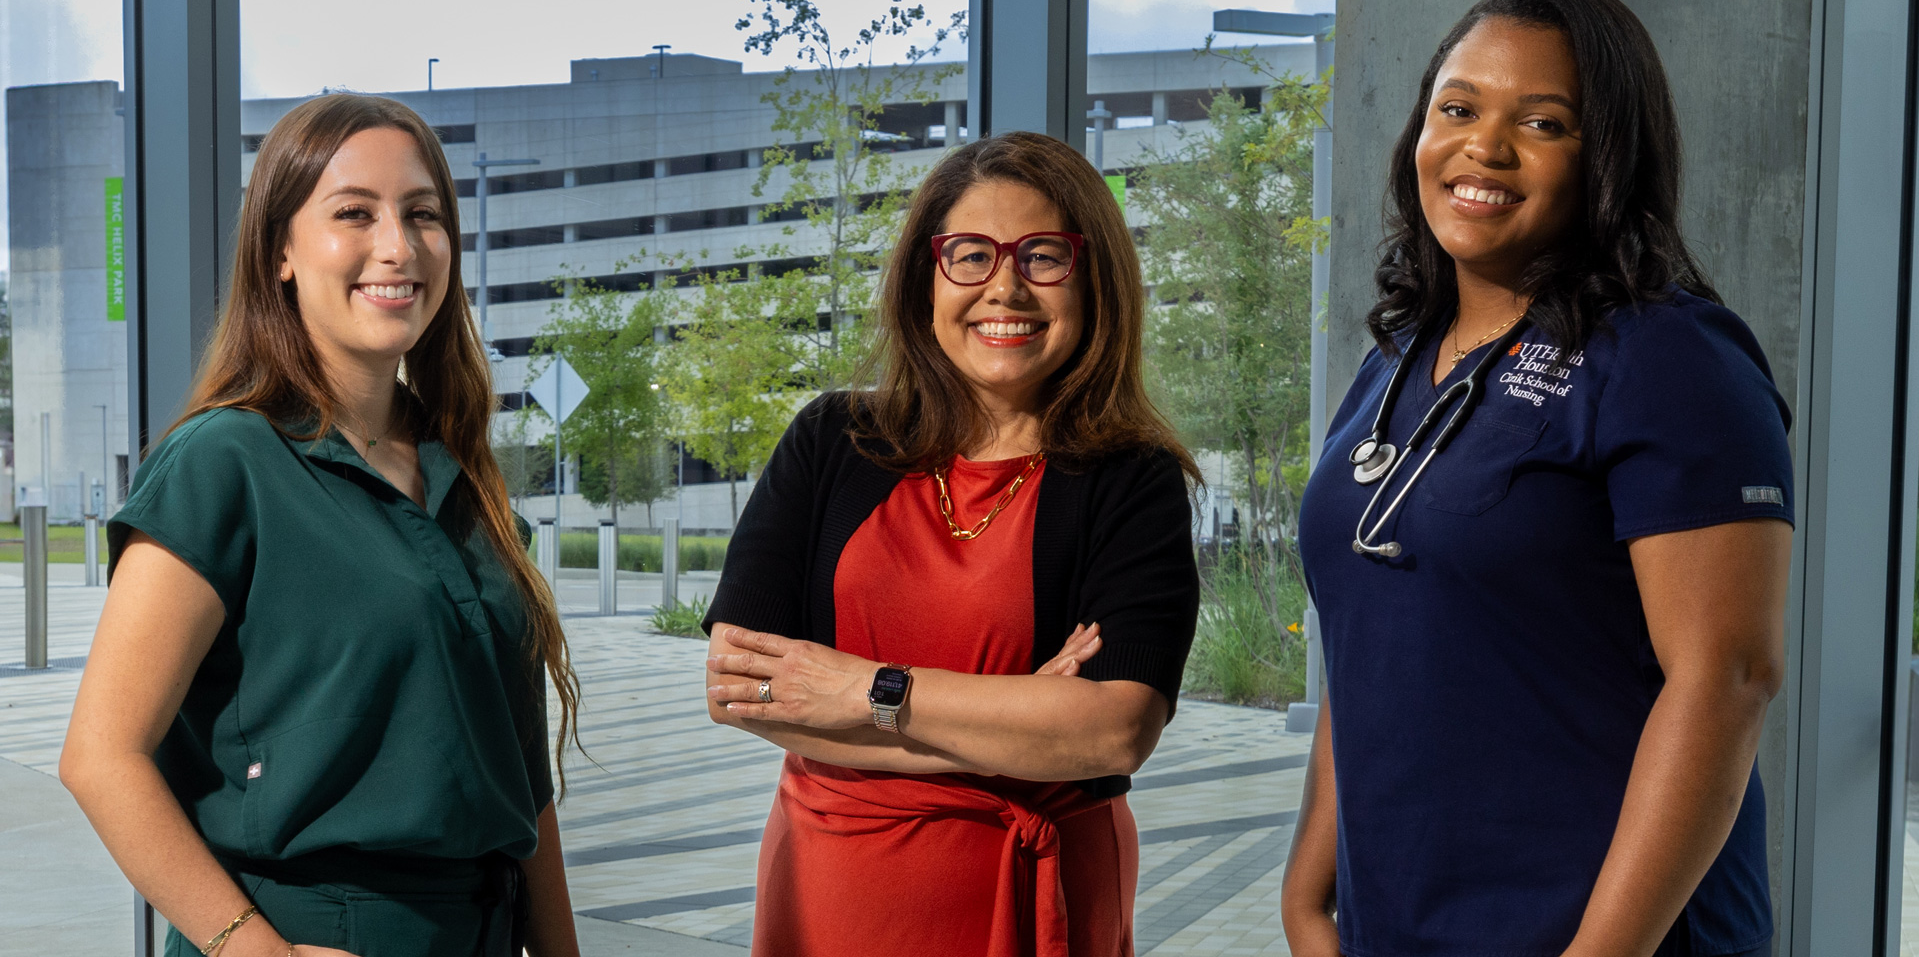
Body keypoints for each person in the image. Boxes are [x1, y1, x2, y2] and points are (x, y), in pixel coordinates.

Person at [1285, 0, 1793, 957]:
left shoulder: (1670, 358)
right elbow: (1374, 640)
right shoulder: (1394, 363)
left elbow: (1728, 677)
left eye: (1545, 122)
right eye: (1458, 108)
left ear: (1607, 156)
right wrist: (1309, 898)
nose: (1486, 147)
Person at [59, 93, 582, 957]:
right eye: (354, 214)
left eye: (423, 215)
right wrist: (251, 949)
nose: (399, 246)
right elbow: (102, 755)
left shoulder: (466, 480)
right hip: (315, 934)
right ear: (280, 256)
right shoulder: (225, 462)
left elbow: (525, 785)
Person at [700, 131, 1201, 956]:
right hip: (831, 894)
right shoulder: (832, 438)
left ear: (1092, 278)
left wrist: (864, 689)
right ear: (925, 279)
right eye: (970, 254)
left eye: (1044, 256)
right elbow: (740, 687)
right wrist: (1010, 733)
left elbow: (1112, 732)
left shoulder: (1131, 477)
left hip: (1040, 900)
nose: (1005, 288)